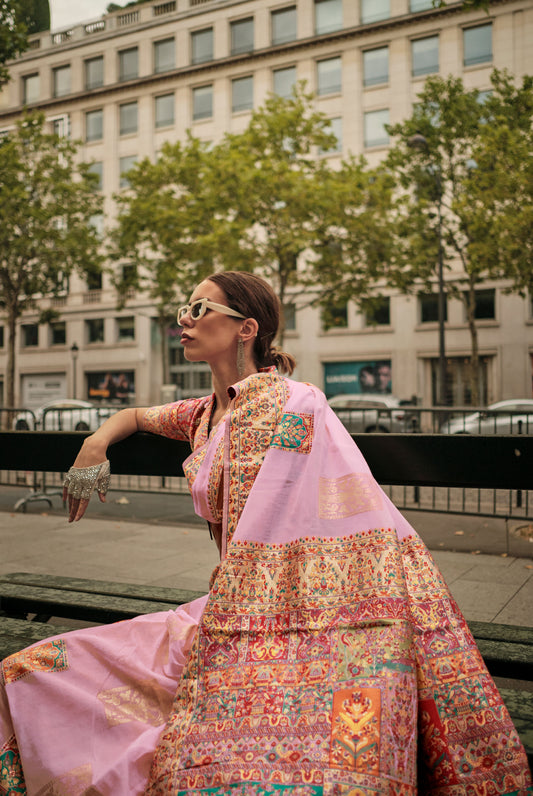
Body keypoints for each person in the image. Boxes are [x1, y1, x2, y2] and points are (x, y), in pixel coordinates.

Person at [0, 271, 531, 795]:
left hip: (303, 607)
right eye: (184, 309)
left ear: (246, 328)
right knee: (28, 671)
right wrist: (96, 443)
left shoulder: (293, 403)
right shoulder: (201, 415)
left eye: (200, 309)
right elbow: (136, 414)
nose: (184, 320)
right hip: (228, 607)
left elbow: (340, 506)